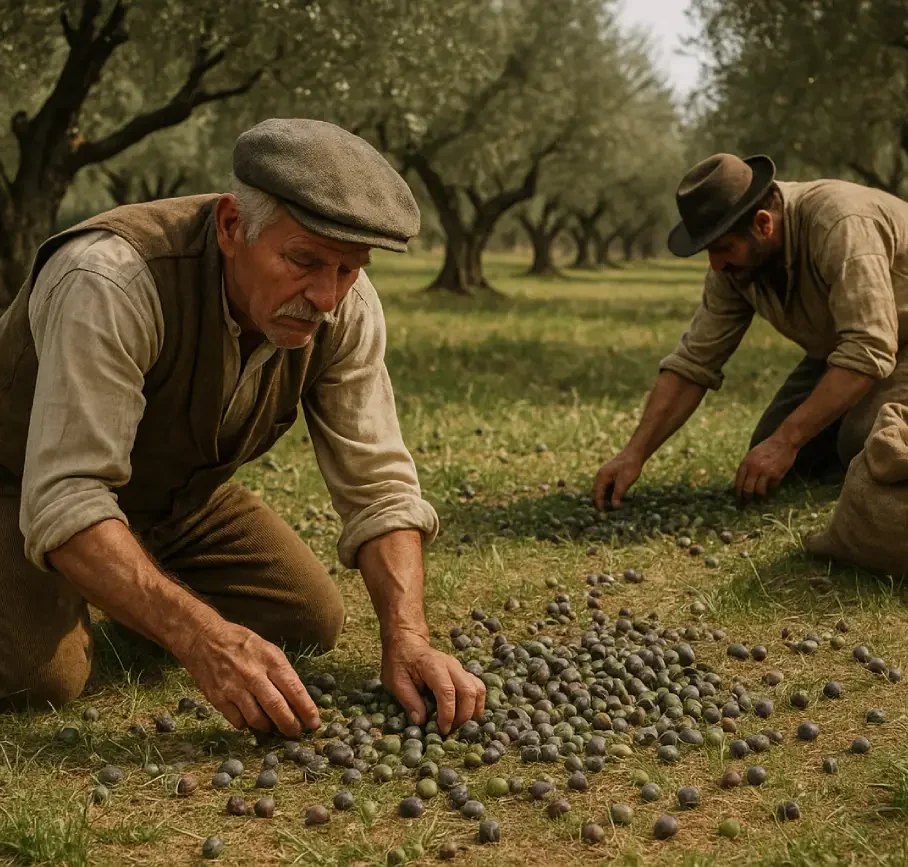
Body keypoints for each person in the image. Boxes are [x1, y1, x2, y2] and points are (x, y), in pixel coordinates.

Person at [0, 118, 485, 737]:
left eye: (349, 268)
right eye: (303, 260)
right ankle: (91, 586)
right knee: (42, 677)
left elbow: (380, 486)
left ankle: (120, 580)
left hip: (173, 497)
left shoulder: (345, 305)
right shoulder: (110, 279)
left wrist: (409, 637)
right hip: (20, 483)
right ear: (233, 226)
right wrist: (202, 637)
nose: (327, 296)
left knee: (305, 616)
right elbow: (65, 495)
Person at [593, 152, 908, 508]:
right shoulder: (734, 267)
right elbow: (695, 361)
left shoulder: (840, 223)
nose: (715, 264)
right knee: (773, 451)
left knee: (862, 439)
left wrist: (788, 440)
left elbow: (869, 346)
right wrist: (633, 454)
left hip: (893, 339)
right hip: (849, 348)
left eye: (723, 248)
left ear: (762, 224)